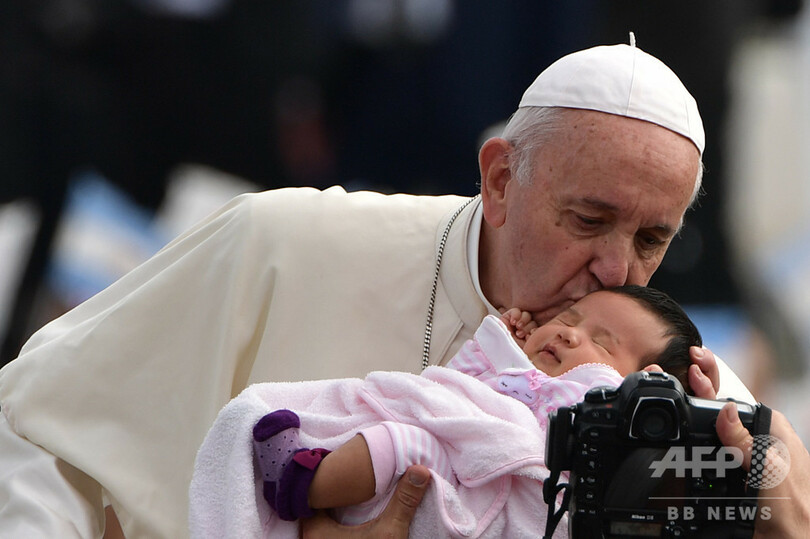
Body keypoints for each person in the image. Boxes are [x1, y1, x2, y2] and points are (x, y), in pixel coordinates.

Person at [0, 39, 807, 538]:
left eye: (652, 239)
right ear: (500, 180)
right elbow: (36, 427)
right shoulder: (285, 244)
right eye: (589, 219)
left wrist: (780, 515)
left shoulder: (679, 400)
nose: (617, 271)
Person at [189, 285, 702, 537]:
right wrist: (503, 344)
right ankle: (305, 472)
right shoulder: (518, 375)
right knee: (397, 428)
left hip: (494, 487)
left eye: (602, 342)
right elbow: (451, 390)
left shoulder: (600, 403)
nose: (570, 334)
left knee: (406, 442)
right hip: (450, 461)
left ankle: (305, 485)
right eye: (569, 318)